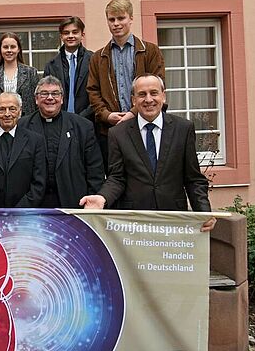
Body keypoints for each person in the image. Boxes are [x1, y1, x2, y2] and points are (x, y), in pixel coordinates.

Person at [79, 74, 217, 232]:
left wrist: (204, 212)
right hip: (134, 223)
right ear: (133, 100)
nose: (148, 99)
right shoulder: (118, 133)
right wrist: (102, 198)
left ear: (163, 96)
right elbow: (117, 178)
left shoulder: (183, 129)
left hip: (174, 221)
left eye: (154, 93)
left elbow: (193, 179)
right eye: (142, 94)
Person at [87, 0, 165, 171]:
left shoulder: (150, 51)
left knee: (146, 174)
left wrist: (132, 113)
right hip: (110, 131)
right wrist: (106, 115)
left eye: (121, 18)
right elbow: (93, 91)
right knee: (116, 177)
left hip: (145, 125)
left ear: (131, 18)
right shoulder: (98, 57)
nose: (116, 24)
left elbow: (158, 87)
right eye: (111, 19)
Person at [18, 76, 104, 208]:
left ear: (62, 98)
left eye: (55, 93)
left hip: (73, 204)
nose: (50, 98)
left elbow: (95, 170)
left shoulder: (83, 127)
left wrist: (91, 201)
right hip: (33, 207)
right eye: (44, 93)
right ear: (36, 99)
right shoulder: (22, 127)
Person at [43, 16, 94, 120]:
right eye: (66, 33)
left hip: (89, 121)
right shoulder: (51, 65)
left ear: (82, 35)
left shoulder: (94, 60)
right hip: (59, 121)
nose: (71, 36)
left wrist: (81, 117)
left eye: (75, 32)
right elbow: (47, 95)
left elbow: (98, 94)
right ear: (61, 36)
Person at [0, 32, 39, 116]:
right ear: (0, 50)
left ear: (18, 49)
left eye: (12, 47)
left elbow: (37, 103)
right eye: (5, 47)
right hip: (0, 124)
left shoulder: (31, 73)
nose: (9, 50)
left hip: (26, 124)